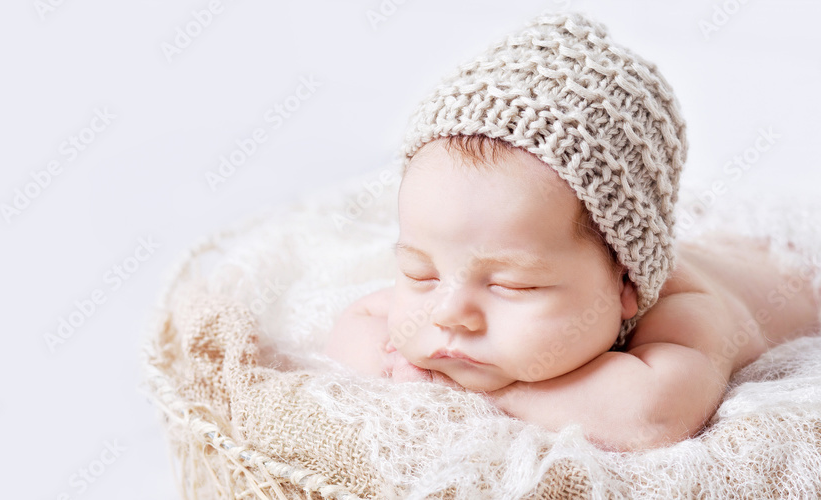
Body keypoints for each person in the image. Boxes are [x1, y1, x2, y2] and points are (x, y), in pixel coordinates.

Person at [323, 12, 821, 452]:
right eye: (420, 273)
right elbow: (357, 321)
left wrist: (478, 391)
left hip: (789, 262)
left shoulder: (687, 309)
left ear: (625, 285)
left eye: (509, 285)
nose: (450, 313)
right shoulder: (460, 278)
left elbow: (651, 415)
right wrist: (394, 355)